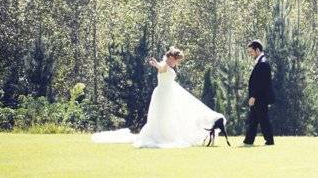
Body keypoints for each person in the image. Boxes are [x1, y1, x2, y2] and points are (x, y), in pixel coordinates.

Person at [92, 46, 228, 148]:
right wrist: (156, 64)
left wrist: (158, 65)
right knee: (163, 115)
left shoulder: (168, 65)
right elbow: (160, 66)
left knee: (171, 115)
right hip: (163, 94)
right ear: (171, 58)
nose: (176, 64)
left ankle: (169, 133)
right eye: (176, 60)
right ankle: (163, 136)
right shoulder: (164, 65)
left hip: (168, 93)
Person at [242, 40, 275, 146]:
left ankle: (269, 141)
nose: (250, 54)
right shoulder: (261, 62)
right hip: (259, 97)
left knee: (263, 119)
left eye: (251, 52)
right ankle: (248, 140)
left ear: (257, 50)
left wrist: (253, 96)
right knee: (253, 119)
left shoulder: (263, 63)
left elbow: (261, 83)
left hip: (260, 98)